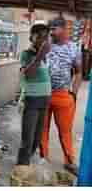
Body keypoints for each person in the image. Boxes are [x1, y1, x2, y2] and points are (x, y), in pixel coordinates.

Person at [40, 17, 83, 175]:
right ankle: (43, 157)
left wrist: (73, 94)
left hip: (63, 95)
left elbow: (78, 72)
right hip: (43, 93)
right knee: (42, 128)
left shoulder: (74, 48)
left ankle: (69, 161)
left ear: (64, 29)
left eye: (54, 29)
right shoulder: (45, 45)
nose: (51, 32)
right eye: (50, 29)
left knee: (65, 130)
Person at [16, 24, 52, 165]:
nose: (44, 40)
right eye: (41, 36)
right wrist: (40, 55)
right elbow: (29, 75)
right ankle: (22, 168)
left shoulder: (46, 56)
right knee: (28, 140)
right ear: (32, 37)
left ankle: (26, 163)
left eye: (46, 37)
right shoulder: (27, 54)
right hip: (31, 101)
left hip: (44, 101)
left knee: (37, 139)